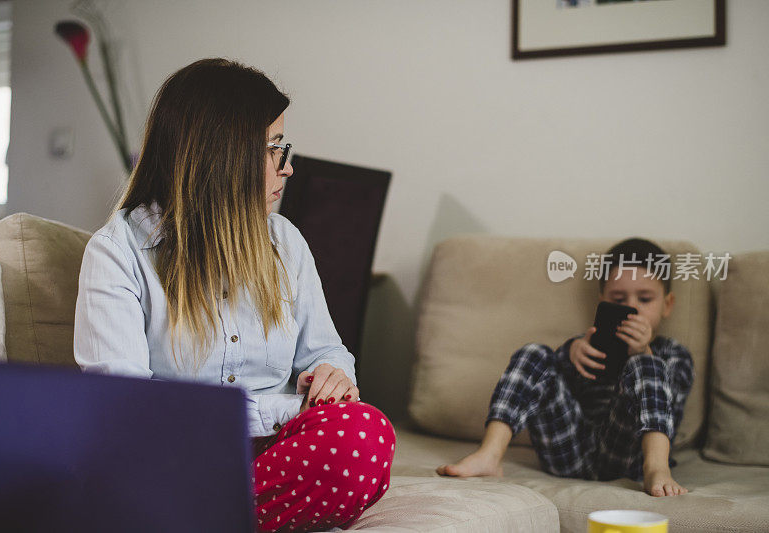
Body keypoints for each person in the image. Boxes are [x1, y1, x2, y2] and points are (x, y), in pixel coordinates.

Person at [74, 58, 395, 532]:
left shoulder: (285, 242)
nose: (287, 168)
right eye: (274, 149)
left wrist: (333, 377)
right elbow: (131, 407)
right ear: (221, 154)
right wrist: (287, 409)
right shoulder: (117, 252)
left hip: (270, 454)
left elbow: (326, 351)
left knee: (365, 434)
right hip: (173, 453)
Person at [436, 238, 694, 498]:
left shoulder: (674, 354)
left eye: (645, 298)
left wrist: (643, 353)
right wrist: (568, 357)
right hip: (569, 450)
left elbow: (669, 405)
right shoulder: (586, 344)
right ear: (602, 301)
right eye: (619, 298)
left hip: (629, 458)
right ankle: (489, 454)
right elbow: (544, 386)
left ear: (667, 305)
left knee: (647, 364)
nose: (632, 308)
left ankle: (657, 468)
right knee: (534, 353)